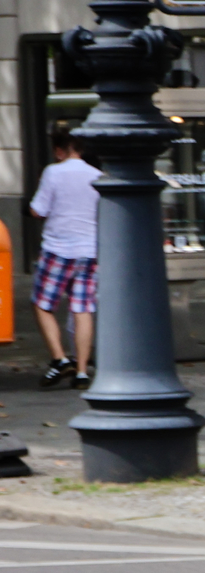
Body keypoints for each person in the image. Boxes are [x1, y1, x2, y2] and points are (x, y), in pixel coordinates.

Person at [31, 127, 100, 389]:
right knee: (82, 309)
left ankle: (59, 358)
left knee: (42, 304)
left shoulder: (53, 172)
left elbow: (39, 210)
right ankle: (82, 371)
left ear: (59, 150)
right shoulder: (97, 176)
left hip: (58, 249)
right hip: (89, 251)